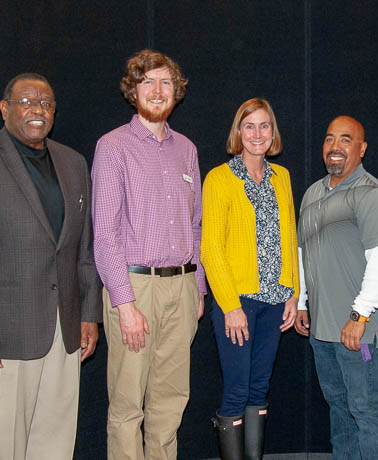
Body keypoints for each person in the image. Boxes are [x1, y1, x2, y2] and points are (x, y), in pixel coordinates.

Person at [91, 50, 206, 460]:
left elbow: (196, 226)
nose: (157, 91)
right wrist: (124, 303)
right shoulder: (113, 147)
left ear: (176, 92)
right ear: (133, 90)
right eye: (147, 82)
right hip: (134, 288)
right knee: (127, 405)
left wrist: (199, 289)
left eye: (165, 83)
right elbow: (104, 234)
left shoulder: (187, 149)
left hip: (183, 288)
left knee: (171, 400)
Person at [0, 73, 101, 460]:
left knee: (55, 440)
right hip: (10, 333)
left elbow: (82, 248)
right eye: (26, 102)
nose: (38, 110)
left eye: (46, 103)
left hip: (65, 329)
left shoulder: (72, 162)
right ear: (5, 108)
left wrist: (90, 314)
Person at [294, 115, 378, 460]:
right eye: (329, 139)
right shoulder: (313, 193)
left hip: (359, 330)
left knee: (365, 409)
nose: (335, 147)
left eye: (345, 139)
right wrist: (303, 303)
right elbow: (304, 254)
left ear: (362, 148)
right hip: (323, 330)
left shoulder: (372, 195)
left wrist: (360, 314)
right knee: (339, 409)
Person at [201, 97, 299, 460]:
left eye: (264, 125)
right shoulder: (219, 179)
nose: (257, 133)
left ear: (272, 131)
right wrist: (230, 306)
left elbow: (290, 236)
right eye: (249, 126)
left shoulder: (282, 177)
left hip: (276, 302)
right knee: (237, 390)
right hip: (237, 303)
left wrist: (293, 294)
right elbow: (211, 249)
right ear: (238, 132)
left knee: (259, 389)